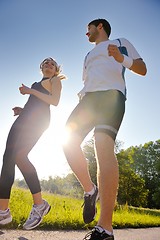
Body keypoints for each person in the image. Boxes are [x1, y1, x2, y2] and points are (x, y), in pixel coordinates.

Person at [63, 18, 147, 240]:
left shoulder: (121, 42)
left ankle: (105, 229)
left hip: (112, 96)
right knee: (67, 142)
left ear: (99, 27)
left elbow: (142, 68)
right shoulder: (88, 55)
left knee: (102, 147)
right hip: (88, 100)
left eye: (88, 28)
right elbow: (89, 80)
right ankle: (90, 190)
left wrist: (122, 58)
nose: (86, 33)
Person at [0, 57, 66, 230]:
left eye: (52, 63)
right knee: (12, 158)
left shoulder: (55, 81)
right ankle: (10, 209)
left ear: (56, 69)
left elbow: (54, 101)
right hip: (25, 119)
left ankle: (18, 208)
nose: (49, 65)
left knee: (15, 156)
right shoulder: (37, 83)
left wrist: (30, 91)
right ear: (41, 67)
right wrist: (22, 110)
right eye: (46, 63)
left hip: (38, 122)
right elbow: (35, 104)